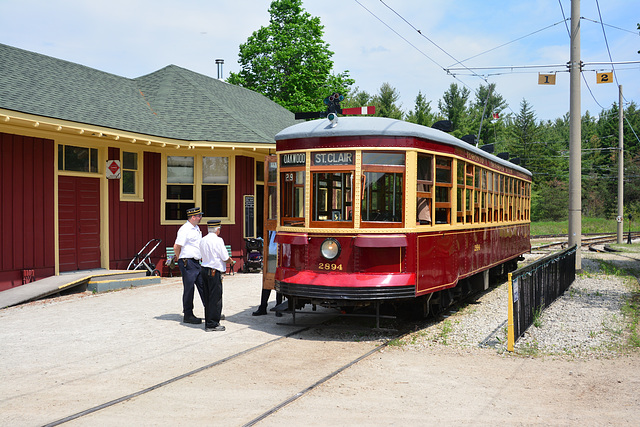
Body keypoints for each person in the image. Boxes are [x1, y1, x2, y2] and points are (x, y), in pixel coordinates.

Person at [199, 219, 236, 332]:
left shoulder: (203, 240)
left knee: (207, 296)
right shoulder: (218, 240)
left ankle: (209, 319)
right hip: (214, 270)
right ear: (217, 230)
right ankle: (212, 323)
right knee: (215, 297)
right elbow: (224, 257)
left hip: (204, 269)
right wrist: (231, 261)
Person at [174, 206, 205, 324]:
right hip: (188, 262)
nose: (200, 218)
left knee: (203, 286)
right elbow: (176, 247)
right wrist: (180, 259)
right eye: (199, 216)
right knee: (189, 288)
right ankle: (188, 314)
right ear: (193, 217)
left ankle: (210, 310)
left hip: (196, 262)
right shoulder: (185, 229)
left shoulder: (196, 228)